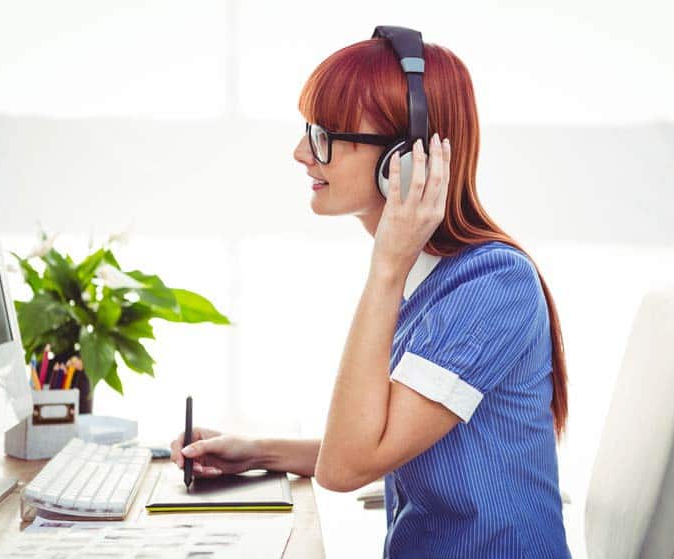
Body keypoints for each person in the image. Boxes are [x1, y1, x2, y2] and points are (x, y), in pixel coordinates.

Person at [171, 34, 571, 558]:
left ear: (404, 157)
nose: (300, 153)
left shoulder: (492, 286)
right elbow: (378, 443)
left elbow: (346, 468)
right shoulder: (432, 281)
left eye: (322, 135)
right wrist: (255, 452)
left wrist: (386, 265)